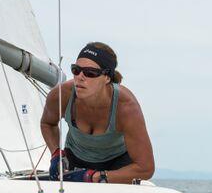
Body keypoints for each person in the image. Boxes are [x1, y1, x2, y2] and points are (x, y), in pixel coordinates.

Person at [40, 42, 154, 184]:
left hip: (117, 165)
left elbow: (146, 168)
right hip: (75, 158)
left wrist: (96, 177)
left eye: (90, 73)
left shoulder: (126, 107)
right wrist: (56, 153)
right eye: (76, 70)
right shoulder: (61, 95)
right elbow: (47, 123)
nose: (80, 77)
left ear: (107, 77)